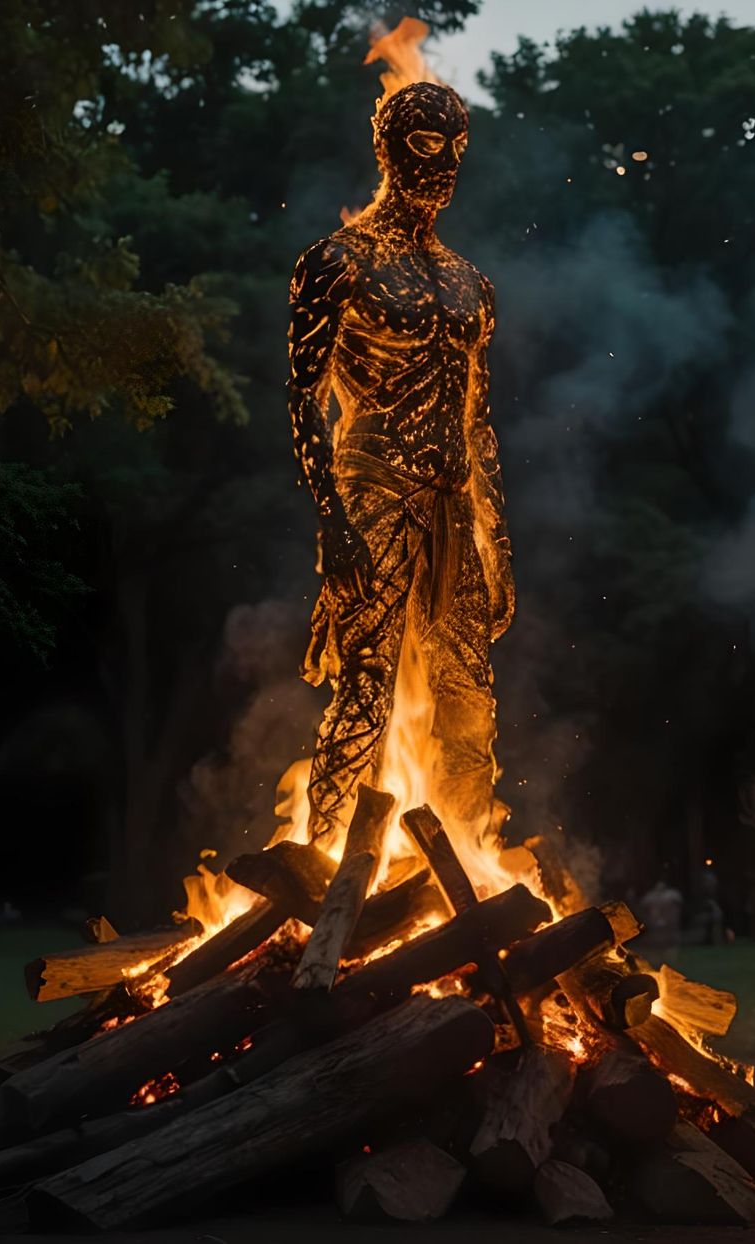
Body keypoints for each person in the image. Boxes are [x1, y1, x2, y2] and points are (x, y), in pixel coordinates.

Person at [287, 81, 512, 847]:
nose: (443, 162)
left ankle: (463, 863)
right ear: (386, 148)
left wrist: (497, 547)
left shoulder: (471, 283)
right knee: (365, 684)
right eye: (424, 142)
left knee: (470, 699)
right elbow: (305, 398)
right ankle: (324, 858)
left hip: (454, 506)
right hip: (375, 489)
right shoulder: (336, 261)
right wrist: (333, 521)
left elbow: (478, 425)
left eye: (456, 147)